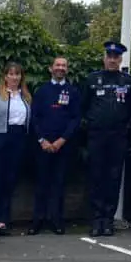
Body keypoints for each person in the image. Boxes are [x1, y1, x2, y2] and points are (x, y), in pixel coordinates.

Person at [81, 40, 131, 237]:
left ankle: (108, 220)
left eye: (116, 57)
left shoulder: (128, 82)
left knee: (113, 179)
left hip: (118, 137)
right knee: (96, 178)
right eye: (109, 56)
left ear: (120, 59)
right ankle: (96, 220)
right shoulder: (92, 79)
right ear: (104, 58)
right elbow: (84, 106)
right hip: (97, 136)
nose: (112, 60)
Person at [29, 56, 82, 236]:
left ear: (67, 69)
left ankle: (57, 220)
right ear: (51, 68)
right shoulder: (42, 90)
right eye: (57, 65)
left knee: (59, 184)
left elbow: (75, 119)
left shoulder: (73, 91)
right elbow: (34, 117)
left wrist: (62, 140)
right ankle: (38, 220)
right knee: (41, 184)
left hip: (63, 146)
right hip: (42, 146)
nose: (60, 68)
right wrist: (42, 140)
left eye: (64, 65)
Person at [0, 61, 32, 237]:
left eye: (17, 74)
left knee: (10, 180)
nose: (14, 77)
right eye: (11, 74)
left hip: (18, 138)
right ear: (5, 76)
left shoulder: (25, 96)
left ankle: (3, 219)